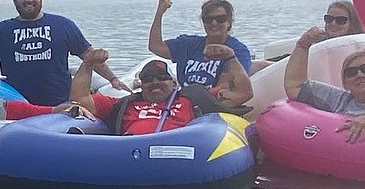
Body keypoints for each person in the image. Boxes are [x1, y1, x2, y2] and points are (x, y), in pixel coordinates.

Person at [0, 0, 128, 106]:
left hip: (58, 106)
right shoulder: (2, 30)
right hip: (16, 105)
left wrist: (113, 79)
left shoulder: (63, 25)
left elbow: (88, 56)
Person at [69, 50, 247, 135]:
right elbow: (80, 99)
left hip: (181, 152)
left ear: (173, 82)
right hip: (129, 154)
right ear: (141, 85)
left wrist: (230, 58)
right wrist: (88, 64)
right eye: (148, 79)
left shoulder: (192, 99)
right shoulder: (125, 104)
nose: (155, 82)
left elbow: (243, 93)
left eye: (161, 77)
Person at [148, 0, 253, 104]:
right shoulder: (188, 44)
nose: (214, 23)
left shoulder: (238, 51)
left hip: (212, 106)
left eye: (220, 19)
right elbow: (155, 46)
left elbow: (224, 87)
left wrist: (190, 101)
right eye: (208, 19)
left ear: (229, 23)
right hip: (183, 102)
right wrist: (160, 13)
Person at [252, 0, 365, 72]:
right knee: (254, 64)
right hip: (297, 62)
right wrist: (306, 40)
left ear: (352, 23)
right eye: (329, 19)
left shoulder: (356, 46)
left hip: (307, 69)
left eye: (340, 20)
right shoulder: (321, 38)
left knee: (259, 65)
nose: (333, 24)